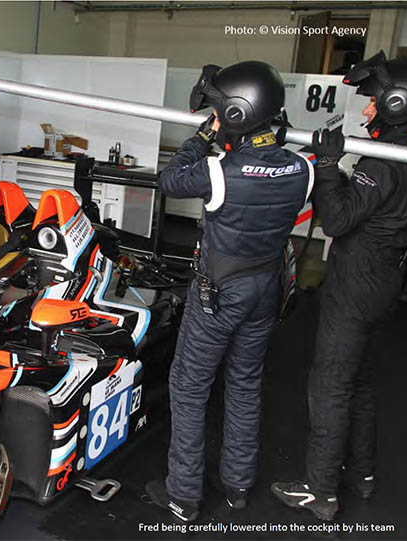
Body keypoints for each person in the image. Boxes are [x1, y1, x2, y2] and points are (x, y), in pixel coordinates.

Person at [144, 61, 313, 522]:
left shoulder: (218, 170)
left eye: (219, 110)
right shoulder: (302, 168)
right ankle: (238, 486)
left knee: (189, 386)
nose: (215, 115)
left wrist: (202, 137)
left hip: (218, 292)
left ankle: (183, 496)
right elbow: (269, 159)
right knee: (244, 383)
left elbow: (170, 180)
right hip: (265, 289)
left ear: (236, 114)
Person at [272, 52, 407, 521]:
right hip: (388, 281)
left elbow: (340, 219)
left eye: (374, 100)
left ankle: (319, 491)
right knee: (360, 381)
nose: (366, 109)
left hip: (358, 283)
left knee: (331, 385)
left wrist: (326, 165)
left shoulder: (382, 163)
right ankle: (362, 474)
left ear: (399, 102)